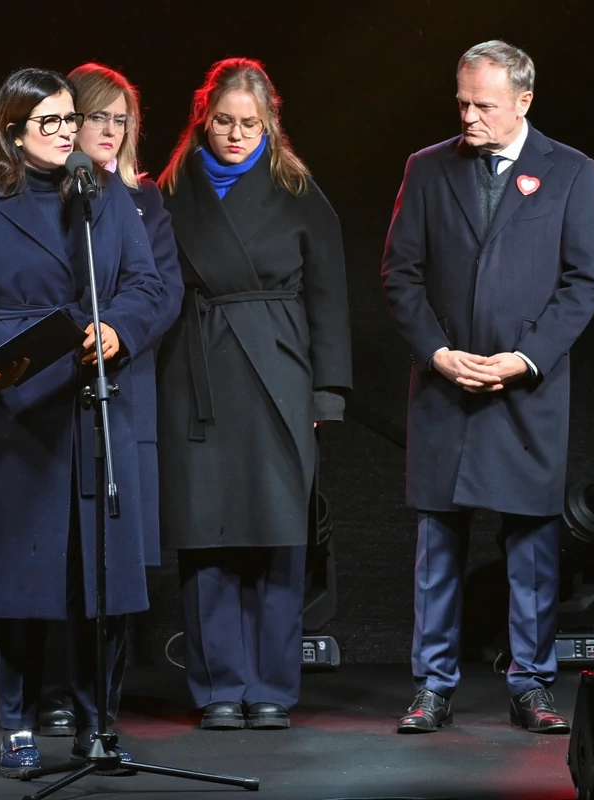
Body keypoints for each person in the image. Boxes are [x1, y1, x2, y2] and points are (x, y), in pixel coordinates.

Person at [0, 67, 173, 777]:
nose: (70, 133)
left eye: (72, 120)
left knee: (100, 576)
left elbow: (148, 286)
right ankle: (17, 724)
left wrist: (120, 330)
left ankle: (99, 724)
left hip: (95, 404)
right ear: (13, 132)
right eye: (54, 123)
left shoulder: (102, 197)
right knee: (22, 578)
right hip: (18, 408)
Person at [380, 40, 594, 734]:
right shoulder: (426, 169)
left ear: (524, 102)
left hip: (525, 392)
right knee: (439, 544)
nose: (469, 115)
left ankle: (532, 684)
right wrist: (439, 353)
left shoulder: (570, 171)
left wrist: (524, 358)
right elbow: (400, 274)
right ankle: (433, 685)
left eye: (484, 104)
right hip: (446, 386)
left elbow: (585, 280)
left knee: (533, 546)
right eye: (462, 102)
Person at [155, 57, 352, 731]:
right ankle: (218, 688)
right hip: (197, 373)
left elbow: (328, 294)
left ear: (270, 122)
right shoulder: (172, 190)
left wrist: (326, 394)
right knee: (206, 535)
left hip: (279, 372)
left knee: (277, 535)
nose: (236, 135)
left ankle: (271, 686)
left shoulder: (298, 190)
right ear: (202, 119)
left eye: (249, 123)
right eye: (223, 122)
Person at [29, 62, 185, 739]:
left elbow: (164, 291)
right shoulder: (38, 197)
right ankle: (54, 693)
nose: (112, 131)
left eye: (122, 121)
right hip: (50, 396)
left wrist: (118, 330)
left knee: (113, 564)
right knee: (57, 555)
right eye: (100, 117)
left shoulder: (144, 200)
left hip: (121, 395)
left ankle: (102, 704)